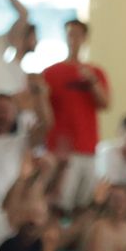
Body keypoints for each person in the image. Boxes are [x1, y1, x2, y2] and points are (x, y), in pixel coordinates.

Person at [42, 20, 111, 212]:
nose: (74, 39)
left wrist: (92, 82)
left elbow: (105, 104)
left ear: (85, 38)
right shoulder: (51, 73)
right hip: (61, 150)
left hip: (88, 148)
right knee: (59, 204)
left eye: (78, 34)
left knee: (85, 205)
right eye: (70, 34)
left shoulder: (96, 72)